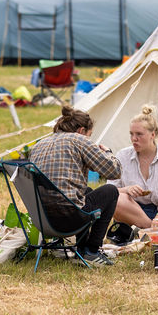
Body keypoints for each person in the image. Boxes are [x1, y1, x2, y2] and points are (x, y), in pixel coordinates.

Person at [28, 105, 122, 266]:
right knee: (110, 191)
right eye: (89, 135)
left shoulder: (38, 146)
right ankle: (92, 250)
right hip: (69, 218)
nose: (89, 138)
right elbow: (114, 171)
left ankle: (80, 247)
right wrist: (108, 152)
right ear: (81, 130)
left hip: (41, 219)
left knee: (87, 191)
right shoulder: (79, 140)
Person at [106, 104, 158, 230]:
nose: (134, 139)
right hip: (132, 212)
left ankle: (151, 228)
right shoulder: (122, 156)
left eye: (139, 134)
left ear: (152, 135)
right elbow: (109, 191)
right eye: (131, 134)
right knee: (117, 198)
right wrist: (126, 190)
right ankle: (153, 229)